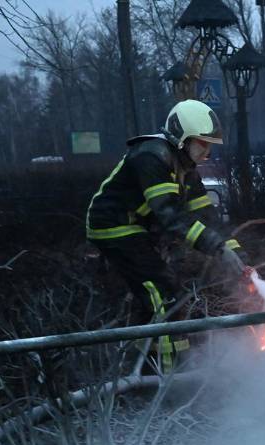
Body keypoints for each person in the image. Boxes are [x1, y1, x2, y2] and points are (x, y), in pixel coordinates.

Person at [86, 99, 250, 370]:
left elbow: (206, 216)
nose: (207, 151)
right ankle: (168, 374)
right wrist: (217, 250)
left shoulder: (185, 169)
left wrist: (237, 254)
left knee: (156, 292)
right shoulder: (151, 157)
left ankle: (139, 362)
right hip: (112, 225)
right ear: (183, 139)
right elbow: (171, 216)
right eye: (203, 143)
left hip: (137, 228)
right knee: (162, 292)